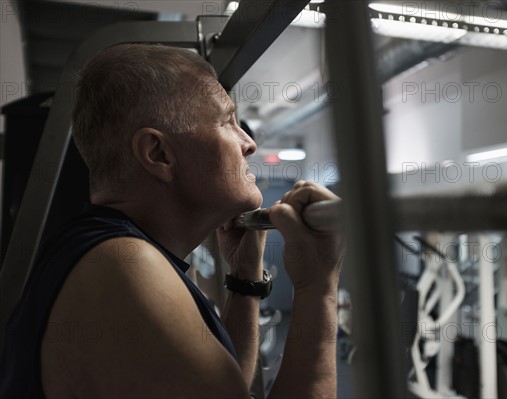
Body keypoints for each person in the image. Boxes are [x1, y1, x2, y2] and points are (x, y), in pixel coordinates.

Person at [0, 44, 344, 398]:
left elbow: (222, 387)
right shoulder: (126, 267)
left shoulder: (114, 251)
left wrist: (245, 280)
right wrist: (318, 288)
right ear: (158, 153)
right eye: (227, 121)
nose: (249, 143)